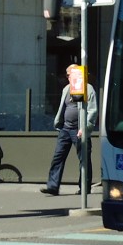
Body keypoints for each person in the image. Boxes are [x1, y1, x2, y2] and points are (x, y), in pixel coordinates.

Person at [41, 64, 97, 195]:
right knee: (58, 157)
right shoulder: (67, 88)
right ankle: (53, 186)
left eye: (69, 74)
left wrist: (85, 127)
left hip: (79, 128)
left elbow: (92, 111)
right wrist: (59, 124)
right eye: (67, 75)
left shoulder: (88, 89)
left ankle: (84, 187)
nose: (67, 77)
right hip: (66, 128)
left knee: (84, 159)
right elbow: (63, 107)